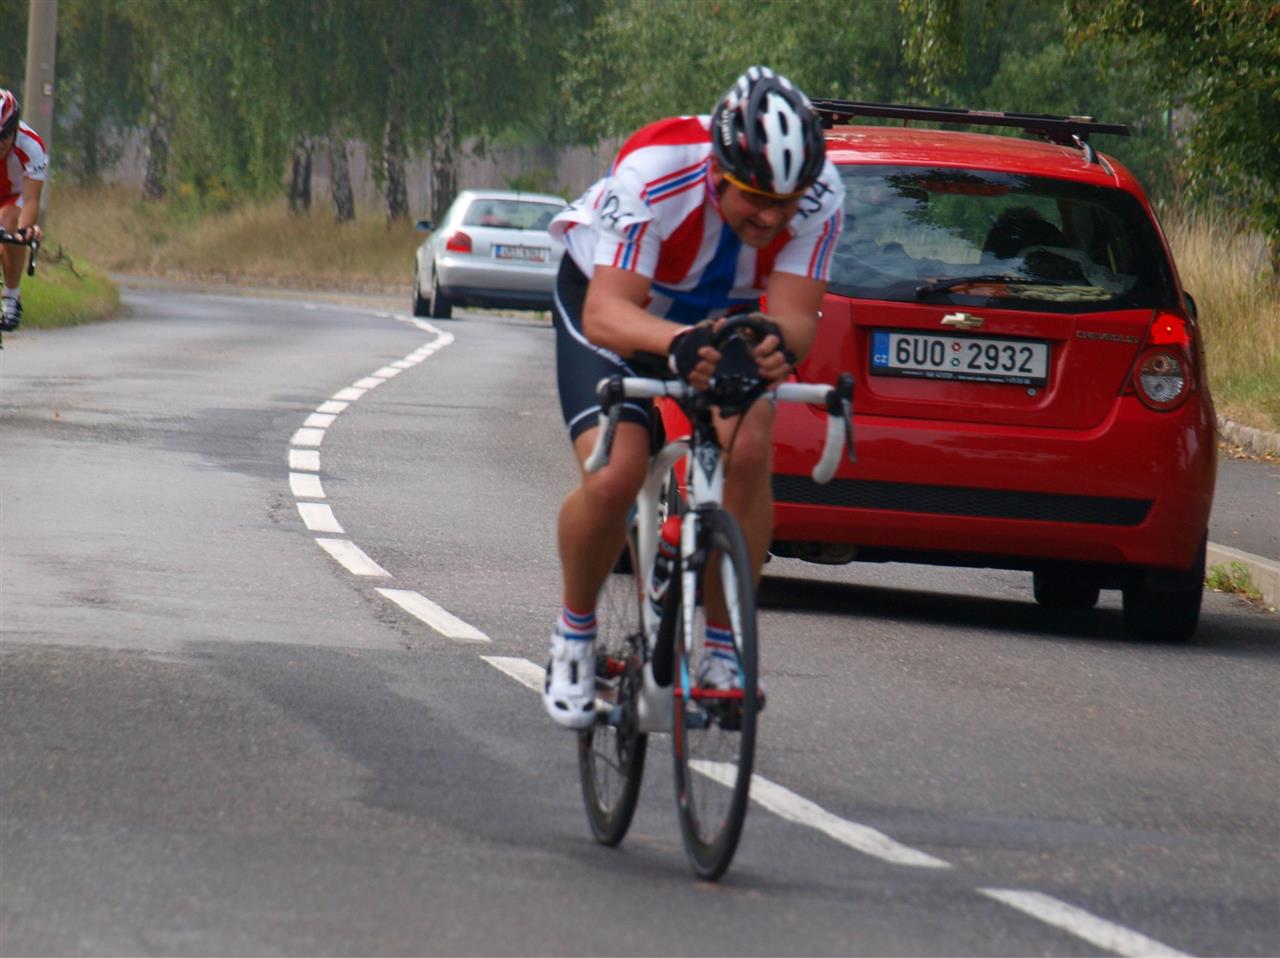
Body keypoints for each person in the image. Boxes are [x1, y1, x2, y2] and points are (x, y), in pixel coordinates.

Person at [541, 66, 844, 728]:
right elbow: (607, 315)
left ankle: (719, 648)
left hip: (716, 316)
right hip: (615, 305)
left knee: (751, 443)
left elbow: (796, 320)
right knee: (617, 472)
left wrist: (775, 344)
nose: (770, 216)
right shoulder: (659, 172)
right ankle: (573, 634)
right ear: (718, 171)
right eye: (753, 197)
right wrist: (675, 343)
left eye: (785, 203)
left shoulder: (820, 196)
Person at [0, 88, 48, 332]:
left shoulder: (31, 146)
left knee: (9, 222)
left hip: (15, 196)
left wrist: (24, 231)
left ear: (14, 129)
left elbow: (31, 201)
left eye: (4, 136)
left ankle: (11, 296)